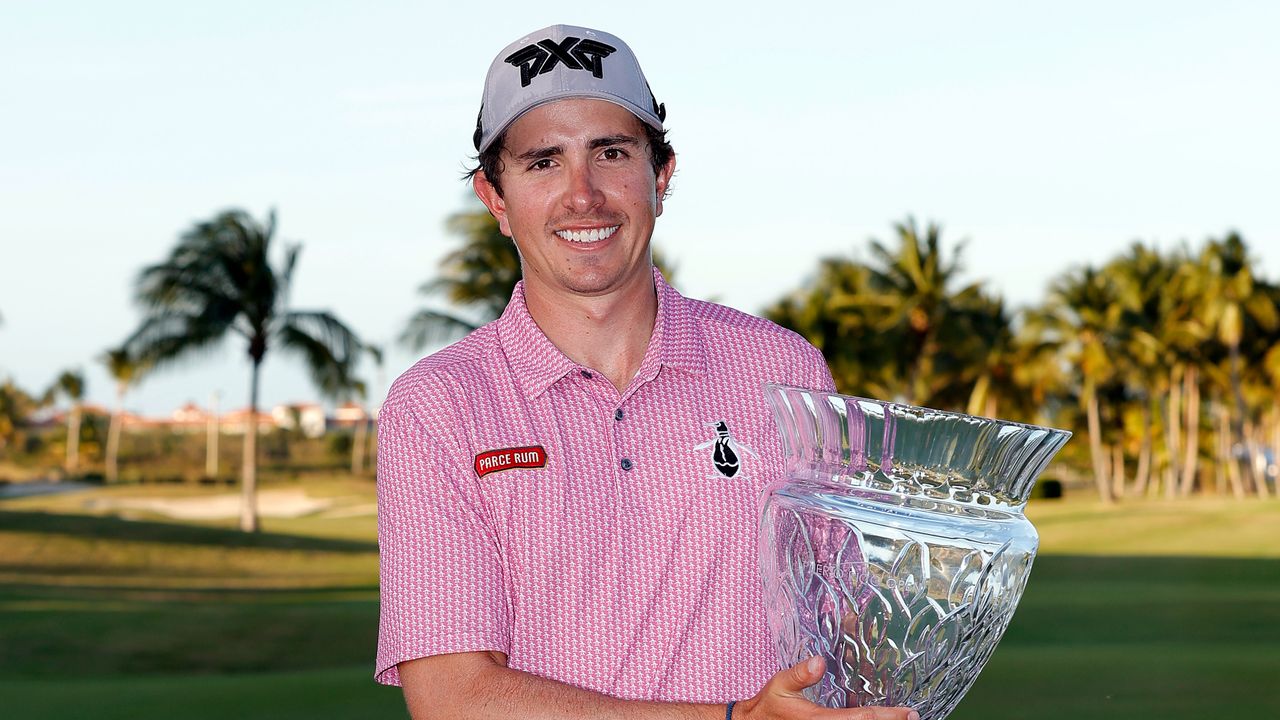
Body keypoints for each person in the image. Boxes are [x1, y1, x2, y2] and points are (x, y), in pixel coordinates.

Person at [375, 24, 917, 720]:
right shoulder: (438, 405)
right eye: (543, 161)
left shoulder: (784, 368)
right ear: (496, 199)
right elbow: (454, 698)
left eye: (611, 152)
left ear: (660, 176)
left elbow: (841, 627)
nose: (583, 195)